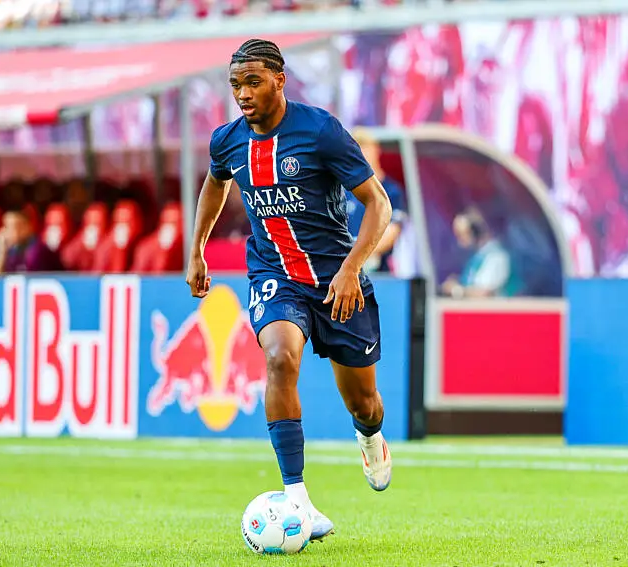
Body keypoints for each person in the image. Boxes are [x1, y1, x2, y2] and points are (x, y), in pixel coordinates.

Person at [186, 39, 393, 541]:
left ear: (279, 79)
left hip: (337, 281)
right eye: (235, 84)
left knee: (364, 403)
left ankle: (370, 437)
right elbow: (215, 182)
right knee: (279, 358)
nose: (242, 93)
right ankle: (297, 499)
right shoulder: (227, 141)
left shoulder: (320, 131)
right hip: (274, 276)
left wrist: (352, 268)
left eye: (252, 82)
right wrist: (197, 249)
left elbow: (379, 204)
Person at [345, 128, 407, 272]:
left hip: (378, 271)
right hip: (346, 269)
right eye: (357, 149)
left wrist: (359, 256)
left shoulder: (391, 190)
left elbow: (392, 231)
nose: (362, 153)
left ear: (376, 150)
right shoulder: (344, 191)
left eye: (366, 147)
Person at [441, 207, 520, 298]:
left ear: (476, 232)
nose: (459, 242)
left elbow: (483, 293)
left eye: (461, 235)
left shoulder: (496, 257)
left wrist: (456, 290)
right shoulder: (477, 256)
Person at [0, 208, 61, 275]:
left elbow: (30, 279)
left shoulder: (37, 250)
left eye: (18, 226)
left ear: (29, 226)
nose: (14, 231)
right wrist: (1, 253)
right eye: (8, 227)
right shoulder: (10, 250)